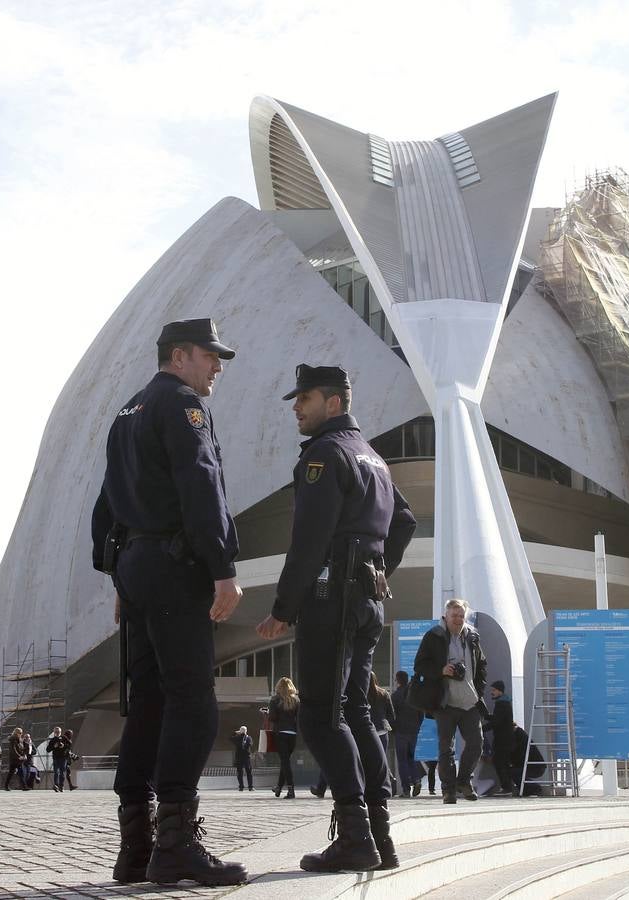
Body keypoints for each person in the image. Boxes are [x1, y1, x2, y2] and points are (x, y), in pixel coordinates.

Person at [91, 318, 247, 887]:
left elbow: (106, 503)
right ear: (179, 356)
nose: (217, 367)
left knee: (148, 703)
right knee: (193, 699)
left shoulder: (126, 412)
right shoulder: (183, 406)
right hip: (175, 568)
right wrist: (223, 568)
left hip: (136, 567)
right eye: (211, 356)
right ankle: (176, 843)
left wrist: (116, 575)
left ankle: (135, 847)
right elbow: (201, 484)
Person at [256, 364, 417, 874]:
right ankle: (379, 833)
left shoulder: (325, 455)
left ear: (333, 401)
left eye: (304, 398)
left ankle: (353, 834)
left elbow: (307, 542)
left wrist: (282, 609)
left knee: (320, 714)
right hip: (366, 600)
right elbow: (405, 521)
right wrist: (376, 570)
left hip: (332, 598)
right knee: (356, 710)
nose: (296, 408)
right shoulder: (372, 457)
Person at [412, 598, 488, 805]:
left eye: (461, 616)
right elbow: (419, 665)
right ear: (446, 616)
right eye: (454, 616)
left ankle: (464, 781)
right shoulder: (434, 636)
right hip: (445, 701)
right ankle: (449, 790)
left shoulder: (472, 637)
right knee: (446, 748)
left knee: (476, 743)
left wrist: (479, 690)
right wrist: (441, 670)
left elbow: (482, 664)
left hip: (469, 701)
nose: (458, 620)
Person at [390, 671, 422, 798]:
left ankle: (406, 789)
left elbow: (392, 715)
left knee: (402, 760)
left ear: (397, 680)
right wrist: (417, 727)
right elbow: (421, 713)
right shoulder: (414, 696)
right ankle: (416, 780)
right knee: (410, 757)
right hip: (413, 731)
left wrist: (393, 729)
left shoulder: (395, 696)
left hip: (401, 732)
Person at [267, 677, 300, 798]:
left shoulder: (275, 700)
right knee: (285, 761)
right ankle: (279, 788)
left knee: (285, 761)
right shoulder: (296, 701)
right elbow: (298, 718)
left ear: (278, 687)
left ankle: (291, 789)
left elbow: (272, 718)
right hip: (292, 734)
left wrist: (268, 713)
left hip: (280, 733)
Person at [368, 674, 398, 798]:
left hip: (367, 731)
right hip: (381, 732)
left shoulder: (361, 694)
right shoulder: (384, 693)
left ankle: (377, 785)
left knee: (368, 760)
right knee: (382, 759)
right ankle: (390, 782)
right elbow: (392, 715)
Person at [487, 681, 516, 796]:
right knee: (503, 762)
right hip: (506, 739)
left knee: (499, 762)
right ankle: (508, 787)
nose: (492, 692)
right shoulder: (504, 703)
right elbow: (498, 718)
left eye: (494, 690)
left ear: (500, 691)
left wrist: (481, 729)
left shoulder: (501, 704)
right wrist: (486, 715)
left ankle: (507, 788)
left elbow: (496, 722)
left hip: (503, 740)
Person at [232, 726, 254, 791]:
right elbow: (230, 738)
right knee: (244, 772)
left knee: (244, 772)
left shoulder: (243, 738)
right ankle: (246, 786)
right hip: (243, 757)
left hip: (242, 757)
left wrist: (238, 734)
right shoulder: (243, 738)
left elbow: (230, 738)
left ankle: (246, 787)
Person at [45, 727, 67, 792]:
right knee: (56, 772)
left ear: (61, 732)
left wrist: (63, 745)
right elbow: (48, 750)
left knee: (62, 772)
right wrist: (54, 746)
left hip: (63, 758)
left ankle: (61, 786)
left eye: (58, 732)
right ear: (54, 732)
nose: (57, 733)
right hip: (56, 758)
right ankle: (56, 785)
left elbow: (69, 746)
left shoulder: (64, 738)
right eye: (56, 732)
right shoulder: (52, 740)